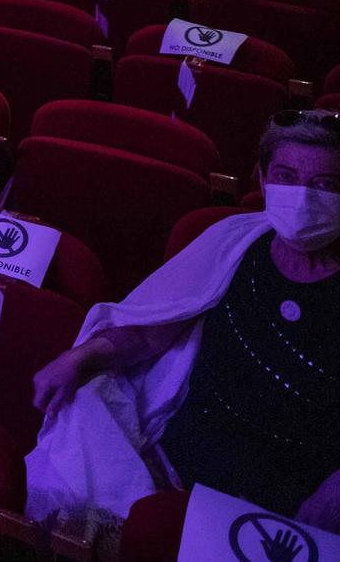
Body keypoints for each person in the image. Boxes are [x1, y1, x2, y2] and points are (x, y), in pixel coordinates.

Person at [26, 110, 340, 537]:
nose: (302, 199)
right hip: (175, 466)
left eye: (325, 186)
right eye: (286, 176)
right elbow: (152, 330)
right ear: (263, 180)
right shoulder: (235, 241)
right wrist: (78, 356)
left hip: (295, 505)